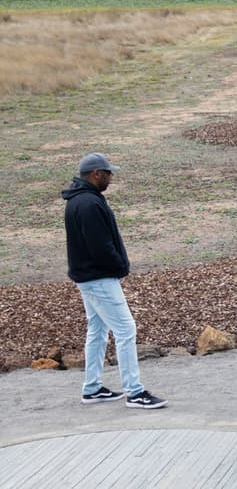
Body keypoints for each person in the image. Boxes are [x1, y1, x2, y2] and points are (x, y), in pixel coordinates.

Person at [62, 152, 167, 409]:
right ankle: (135, 391)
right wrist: (120, 265)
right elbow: (100, 246)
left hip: (88, 277)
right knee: (125, 329)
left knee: (97, 330)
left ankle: (92, 387)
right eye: (108, 172)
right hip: (99, 278)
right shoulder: (89, 204)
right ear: (96, 174)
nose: (111, 176)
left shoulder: (80, 200)